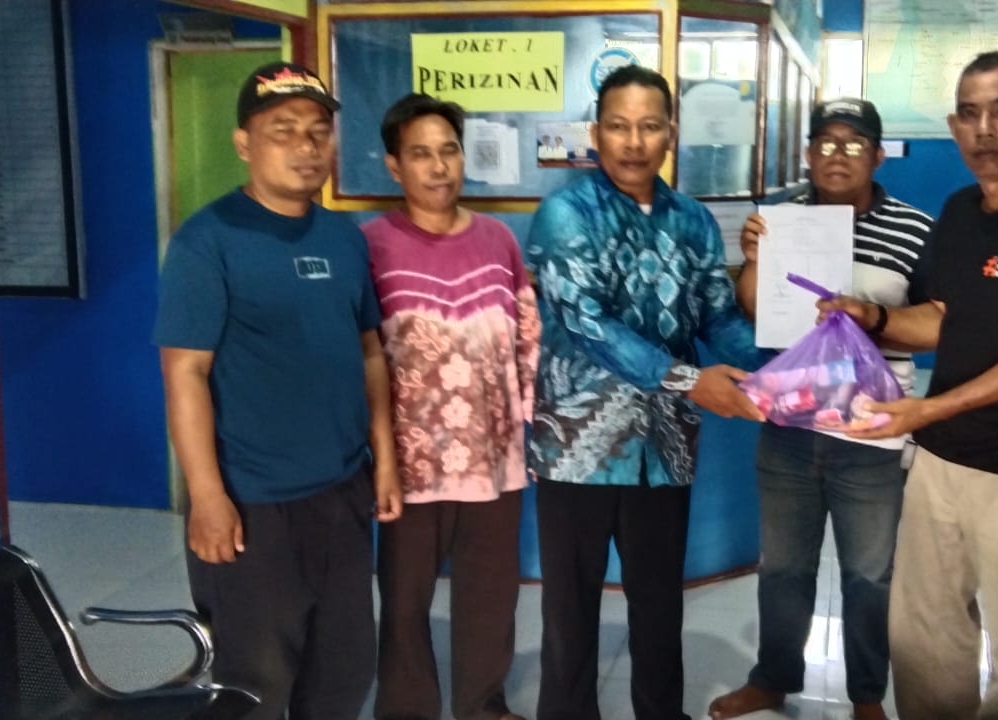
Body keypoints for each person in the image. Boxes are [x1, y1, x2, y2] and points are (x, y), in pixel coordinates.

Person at [821, 51, 998, 719]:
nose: (984, 130)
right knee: (924, 641)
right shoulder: (958, 212)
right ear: (954, 126)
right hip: (940, 467)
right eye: (970, 114)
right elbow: (941, 319)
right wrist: (872, 318)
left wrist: (927, 409)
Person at [153, 61, 401, 720]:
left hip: (341, 493)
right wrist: (208, 495)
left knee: (344, 672)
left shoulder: (343, 238)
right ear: (244, 143)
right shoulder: (207, 242)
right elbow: (184, 372)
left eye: (318, 131)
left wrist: (383, 459)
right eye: (283, 130)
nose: (305, 146)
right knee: (256, 684)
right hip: (253, 504)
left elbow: (369, 352)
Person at [525, 64, 768, 720]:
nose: (634, 142)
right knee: (570, 610)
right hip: (576, 449)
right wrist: (691, 380)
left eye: (649, 126)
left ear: (671, 133)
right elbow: (588, 324)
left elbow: (717, 317)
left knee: (660, 603)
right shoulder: (564, 214)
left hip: (664, 448)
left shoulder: (694, 221)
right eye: (618, 126)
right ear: (596, 133)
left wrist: (784, 369)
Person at [708, 98, 934, 720]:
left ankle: (867, 696)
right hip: (791, 423)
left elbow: (936, 324)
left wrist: (871, 319)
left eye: (854, 144)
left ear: (878, 155)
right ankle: (773, 679)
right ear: (808, 154)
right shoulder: (782, 220)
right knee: (783, 567)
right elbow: (754, 308)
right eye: (826, 143)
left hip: (873, 429)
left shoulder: (917, 229)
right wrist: (756, 261)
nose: (838, 155)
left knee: (869, 574)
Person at [363, 92, 539, 720]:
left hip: (494, 459)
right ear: (394, 166)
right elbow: (361, 354)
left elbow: (527, 335)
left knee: (491, 595)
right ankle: (407, 707)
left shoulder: (497, 240)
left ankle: (482, 704)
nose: (439, 167)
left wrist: (526, 425)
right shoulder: (371, 247)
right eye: (421, 154)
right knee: (404, 599)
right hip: (410, 466)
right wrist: (377, 454)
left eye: (449, 151)